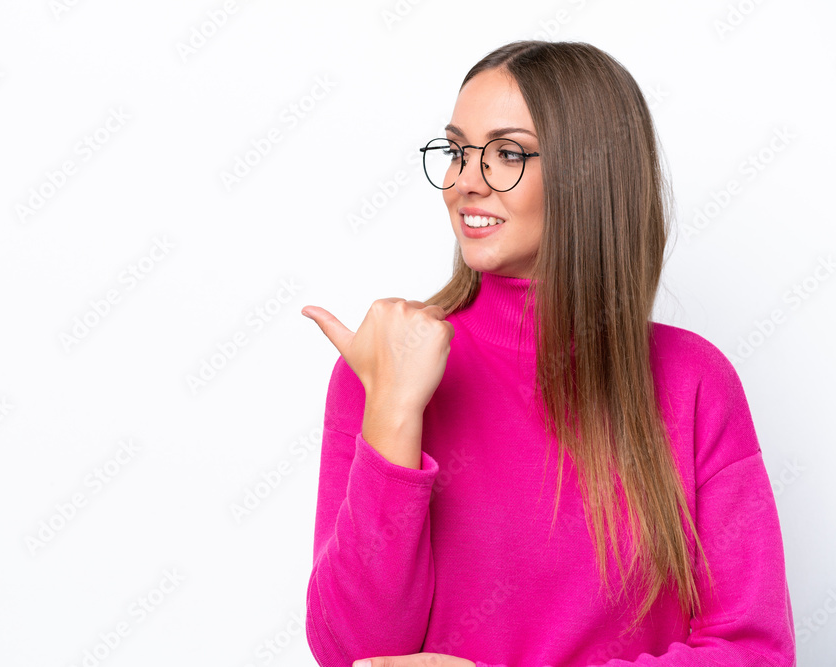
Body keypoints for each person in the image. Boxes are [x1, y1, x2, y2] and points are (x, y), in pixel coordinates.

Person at [299, 40, 796, 667]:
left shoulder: (693, 381)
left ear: (587, 173)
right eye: (457, 151)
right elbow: (354, 653)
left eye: (506, 153)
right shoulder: (386, 367)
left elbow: (755, 653)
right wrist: (394, 410)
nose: (463, 182)